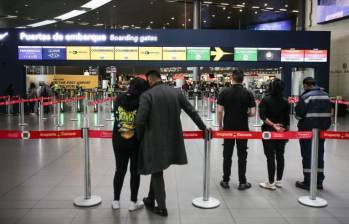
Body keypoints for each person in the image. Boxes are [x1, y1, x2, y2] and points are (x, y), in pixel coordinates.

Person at [136, 70, 206, 217]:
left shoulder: (147, 95)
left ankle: (162, 208)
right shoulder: (176, 93)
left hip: (154, 140)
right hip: (172, 139)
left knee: (156, 171)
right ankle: (150, 199)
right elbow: (191, 111)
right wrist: (203, 128)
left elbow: (140, 120)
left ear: (149, 80)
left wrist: (139, 137)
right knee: (157, 169)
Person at [111, 78, 148, 211]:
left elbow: (115, 116)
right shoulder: (142, 101)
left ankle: (116, 200)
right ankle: (133, 202)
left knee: (119, 170)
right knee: (134, 172)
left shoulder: (119, 98)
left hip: (118, 139)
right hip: (135, 141)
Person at [216, 70, 256, 190]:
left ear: (231, 78)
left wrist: (220, 126)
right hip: (243, 128)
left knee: (227, 155)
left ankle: (225, 180)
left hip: (228, 127)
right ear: (242, 79)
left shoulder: (224, 92)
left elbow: (219, 110)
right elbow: (253, 112)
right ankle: (242, 182)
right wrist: (245, 114)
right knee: (242, 155)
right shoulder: (248, 93)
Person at [295, 77, 331, 190]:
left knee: (307, 154)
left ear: (306, 85)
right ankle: (319, 181)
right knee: (319, 154)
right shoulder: (326, 95)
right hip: (322, 130)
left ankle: (308, 181)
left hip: (307, 130)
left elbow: (298, 115)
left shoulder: (306, 96)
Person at [258, 79, 290, 190]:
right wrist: (286, 133)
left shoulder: (265, 100)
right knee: (280, 155)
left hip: (268, 132)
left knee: (270, 156)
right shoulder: (286, 102)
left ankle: (271, 182)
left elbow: (262, 116)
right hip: (282, 132)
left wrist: (273, 125)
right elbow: (287, 120)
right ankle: (279, 181)